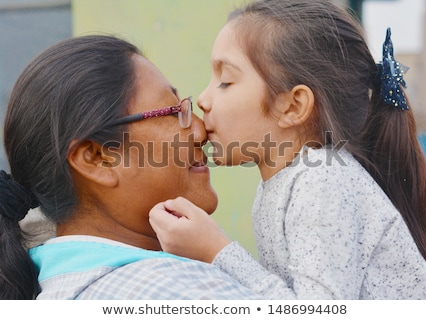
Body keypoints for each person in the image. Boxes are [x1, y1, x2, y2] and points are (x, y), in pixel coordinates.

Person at [150, 0, 426, 299]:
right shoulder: (283, 184)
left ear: (294, 106)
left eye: (226, 81)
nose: (203, 99)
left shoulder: (322, 182)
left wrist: (216, 251)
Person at [0, 35, 262, 300]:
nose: (199, 129)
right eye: (173, 112)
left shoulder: (55, 287)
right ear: (97, 158)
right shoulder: (166, 292)